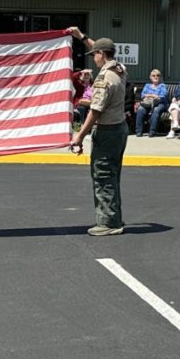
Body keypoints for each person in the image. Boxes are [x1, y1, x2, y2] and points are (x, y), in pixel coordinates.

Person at [68, 27, 128, 237]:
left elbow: (95, 110)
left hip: (107, 131)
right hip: (119, 129)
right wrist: (82, 37)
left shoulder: (104, 79)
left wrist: (79, 135)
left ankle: (109, 222)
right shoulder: (118, 68)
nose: (93, 57)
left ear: (102, 55)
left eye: (95, 55)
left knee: (103, 175)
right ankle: (114, 217)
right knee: (112, 174)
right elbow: (100, 47)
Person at [135, 69, 169, 137]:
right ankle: (139, 131)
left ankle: (152, 131)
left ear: (160, 77)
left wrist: (149, 95)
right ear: (150, 77)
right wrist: (153, 96)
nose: (156, 77)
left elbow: (163, 95)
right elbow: (143, 95)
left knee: (156, 110)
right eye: (153, 76)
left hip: (160, 103)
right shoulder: (147, 85)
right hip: (148, 103)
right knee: (140, 109)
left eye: (158, 75)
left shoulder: (162, 86)